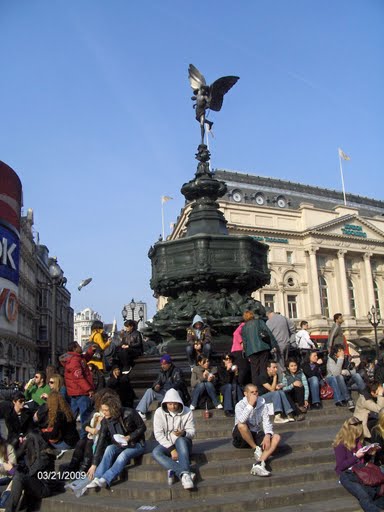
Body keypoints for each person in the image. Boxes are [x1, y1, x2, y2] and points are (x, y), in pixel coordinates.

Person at [86, 393, 146, 489]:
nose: (104, 413)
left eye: (106, 410)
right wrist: (94, 464)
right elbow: (101, 441)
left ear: (113, 408)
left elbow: (142, 427)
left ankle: (105, 479)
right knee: (109, 448)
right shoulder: (105, 421)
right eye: (103, 410)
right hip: (119, 444)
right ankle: (97, 477)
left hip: (136, 443)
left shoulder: (129, 413)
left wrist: (130, 437)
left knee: (123, 455)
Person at [3, 430, 63, 512]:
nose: (25, 442)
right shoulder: (33, 454)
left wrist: (12, 470)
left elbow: (29, 474)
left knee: (18, 478)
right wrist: (15, 467)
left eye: (27, 440)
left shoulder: (44, 456)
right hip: (36, 483)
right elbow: (25, 469)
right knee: (18, 477)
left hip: (44, 487)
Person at [333, 416, 384, 512]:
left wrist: (370, 453)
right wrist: (356, 456)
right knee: (363, 494)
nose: (358, 436)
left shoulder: (359, 442)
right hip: (348, 474)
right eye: (356, 433)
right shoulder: (340, 445)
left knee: (377, 488)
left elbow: (363, 461)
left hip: (361, 470)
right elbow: (341, 466)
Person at [232, 383, 281, 477]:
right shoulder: (239, 405)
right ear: (246, 394)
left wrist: (268, 435)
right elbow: (241, 420)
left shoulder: (262, 403)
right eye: (252, 392)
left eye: (256, 392)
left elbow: (267, 422)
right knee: (241, 425)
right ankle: (256, 448)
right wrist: (250, 405)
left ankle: (259, 464)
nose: (255, 394)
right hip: (241, 435)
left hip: (255, 432)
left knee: (276, 437)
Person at [152, 388, 196, 490]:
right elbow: (158, 434)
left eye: (175, 404)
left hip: (184, 443)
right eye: (170, 404)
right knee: (156, 452)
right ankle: (185, 473)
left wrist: (183, 433)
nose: (172, 406)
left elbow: (192, 432)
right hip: (167, 443)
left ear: (179, 402)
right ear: (165, 403)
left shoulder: (187, 412)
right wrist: (172, 449)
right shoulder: (159, 412)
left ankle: (182, 473)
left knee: (180, 440)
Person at [59, 341, 96, 439]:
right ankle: (83, 438)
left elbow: (85, 359)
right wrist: (89, 389)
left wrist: (91, 351)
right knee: (85, 416)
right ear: (75, 348)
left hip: (75, 392)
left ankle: (69, 435)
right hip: (81, 392)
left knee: (72, 415)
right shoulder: (75, 361)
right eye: (79, 346)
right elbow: (78, 377)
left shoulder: (76, 358)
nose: (81, 347)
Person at [136, 355, 189, 420]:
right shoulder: (161, 372)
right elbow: (157, 381)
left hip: (175, 395)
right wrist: (156, 386)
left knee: (176, 392)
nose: (162, 366)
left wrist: (169, 390)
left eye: (164, 364)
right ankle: (141, 412)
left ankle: (175, 409)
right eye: (161, 364)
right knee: (150, 391)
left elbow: (179, 383)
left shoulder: (177, 371)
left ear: (169, 364)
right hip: (164, 394)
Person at [241, 310, 277, 382]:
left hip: (251, 351)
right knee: (263, 367)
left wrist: (245, 351)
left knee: (254, 369)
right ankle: (264, 383)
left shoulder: (244, 327)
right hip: (263, 347)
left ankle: (256, 386)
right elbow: (268, 333)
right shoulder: (259, 322)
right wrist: (273, 345)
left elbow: (244, 341)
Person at [327, 345, 364, 410]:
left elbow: (353, 371)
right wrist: (340, 360)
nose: (342, 352)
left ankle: (365, 394)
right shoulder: (331, 360)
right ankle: (349, 400)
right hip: (339, 382)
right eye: (340, 351)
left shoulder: (346, 358)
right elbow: (336, 373)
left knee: (357, 375)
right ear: (335, 353)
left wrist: (345, 372)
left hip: (348, 380)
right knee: (340, 377)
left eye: (342, 350)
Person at [0, 392, 34, 456]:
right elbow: (11, 430)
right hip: (13, 437)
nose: (23, 403)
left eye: (24, 401)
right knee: (15, 441)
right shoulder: (9, 414)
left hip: (26, 437)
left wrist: (25, 436)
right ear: (14, 402)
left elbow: (30, 427)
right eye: (20, 401)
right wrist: (19, 437)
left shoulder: (28, 413)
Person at [266, 309, 295, 374]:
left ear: (269, 315)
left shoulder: (269, 322)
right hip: (286, 343)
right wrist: (290, 340)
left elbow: (267, 334)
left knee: (278, 365)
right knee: (285, 362)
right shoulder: (284, 318)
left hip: (277, 346)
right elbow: (292, 328)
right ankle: (288, 376)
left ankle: (282, 379)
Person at [230, 321, 251, 386]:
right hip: (238, 350)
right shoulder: (244, 325)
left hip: (241, 351)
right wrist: (241, 342)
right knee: (242, 369)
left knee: (243, 369)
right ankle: (239, 385)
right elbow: (236, 333)